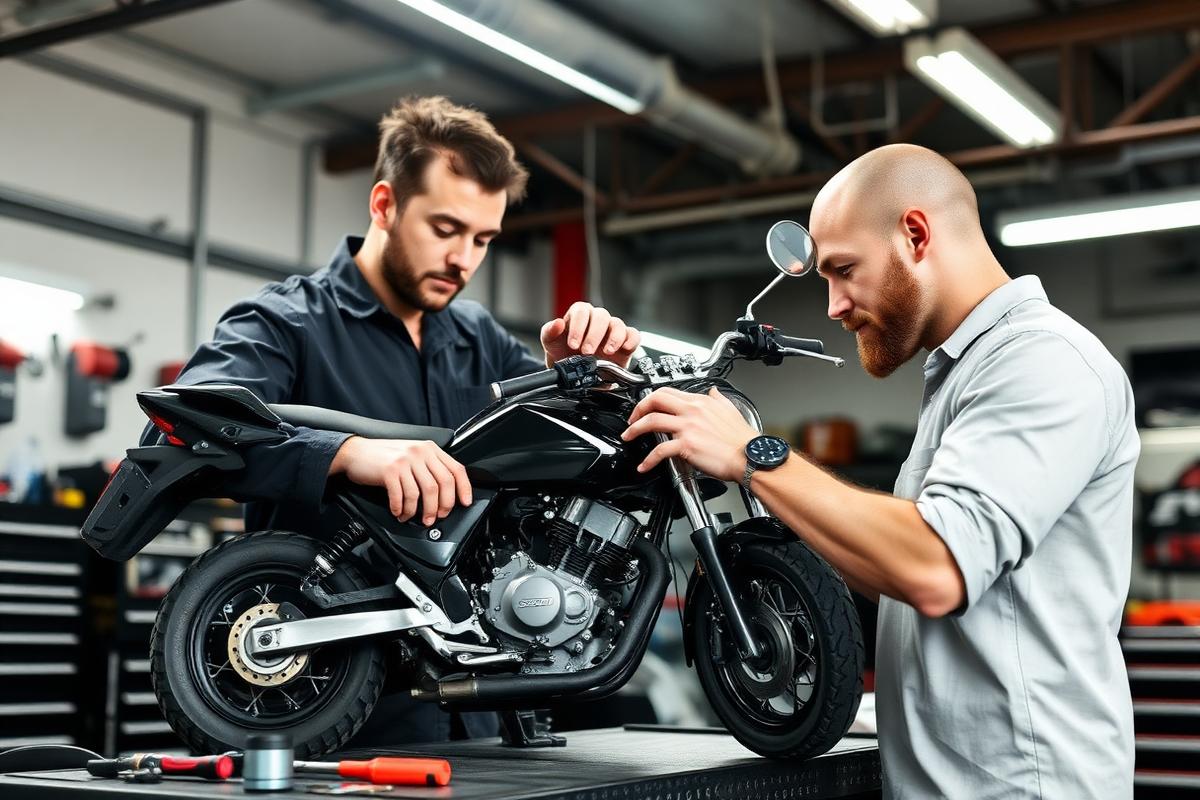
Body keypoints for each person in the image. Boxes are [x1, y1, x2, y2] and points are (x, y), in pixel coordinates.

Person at [621, 143, 1138, 799]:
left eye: (843, 270)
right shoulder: (966, 375)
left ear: (915, 235)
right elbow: (898, 568)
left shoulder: (1043, 362)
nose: (834, 306)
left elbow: (934, 566)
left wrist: (755, 457)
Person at [158, 95, 641, 744]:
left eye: (483, 240)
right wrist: (348, 452)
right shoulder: (284, 323)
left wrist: (568, 376)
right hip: (333, 707)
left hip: (482, 711)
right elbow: (184, 424)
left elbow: (546, 467)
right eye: (445, 229)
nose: (464, 260)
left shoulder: (481, 340)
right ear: (384, 205)